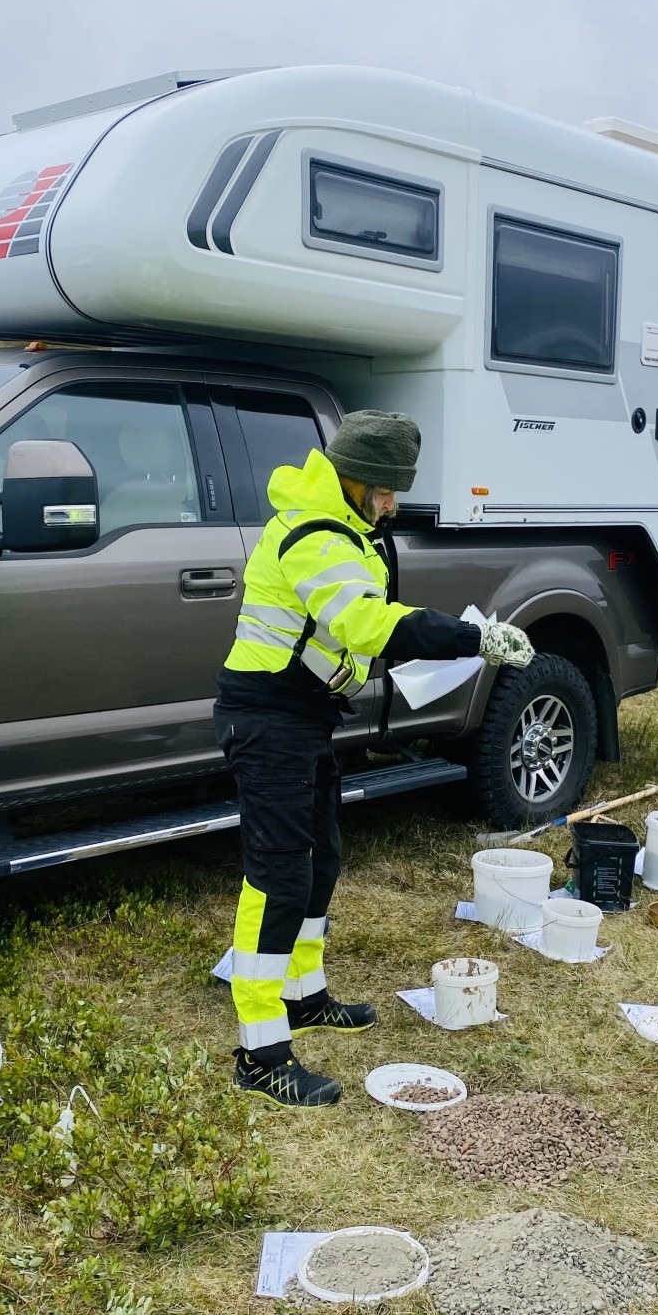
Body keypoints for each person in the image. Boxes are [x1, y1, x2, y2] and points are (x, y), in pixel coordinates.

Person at [214, 410, 533, 1107]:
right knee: (277, 878)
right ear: (355, 479)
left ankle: (302, 996)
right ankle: (260, 1052)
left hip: (304, 715)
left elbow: (359, 618)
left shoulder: (346, 529)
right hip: (267, 717)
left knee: (321, 859)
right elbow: (363, 621)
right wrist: (471, 640)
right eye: (386, 491)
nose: (391, 505)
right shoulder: (313, 533)